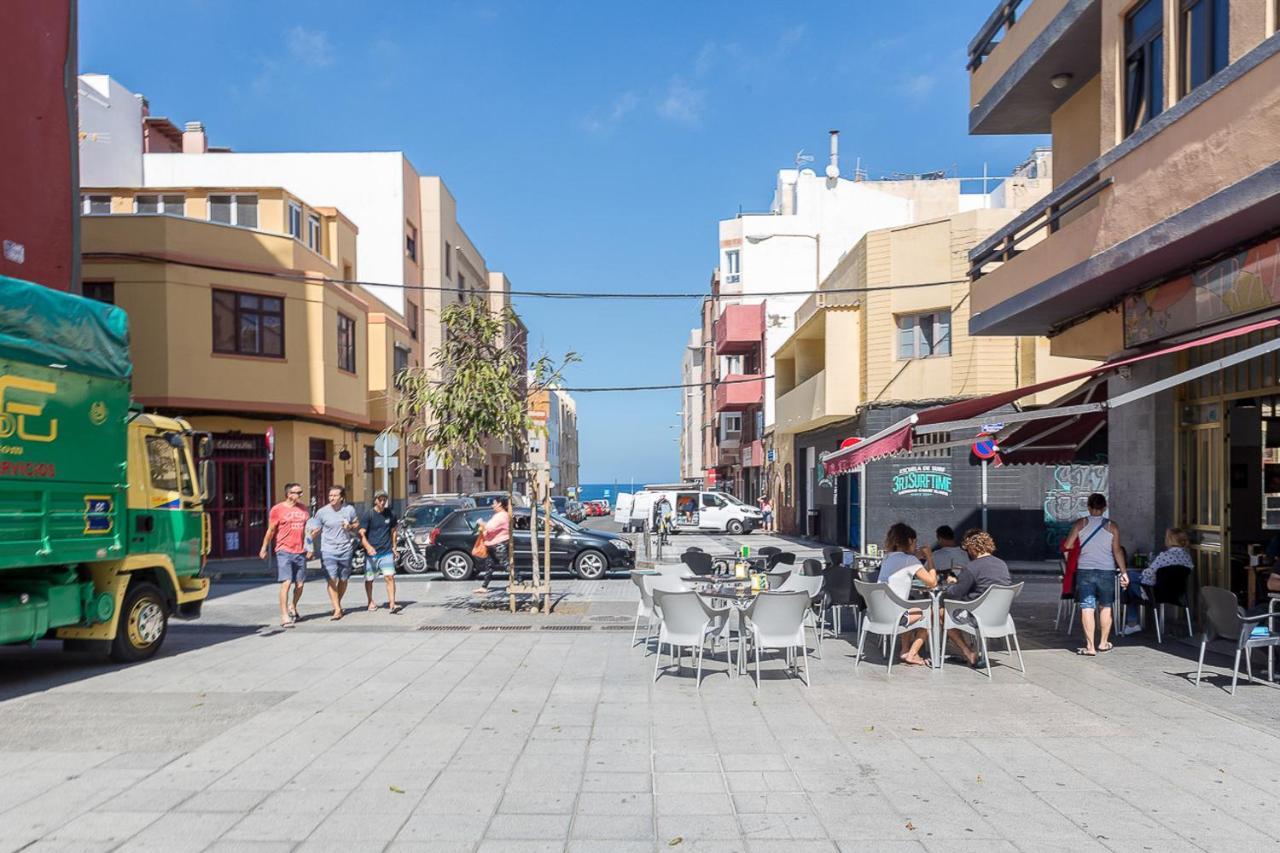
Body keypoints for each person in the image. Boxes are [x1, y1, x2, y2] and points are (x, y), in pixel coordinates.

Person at [1063, 492, 1128, 655]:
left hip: (1085, 570)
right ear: (1104, 507)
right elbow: (1117, 551)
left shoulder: (1081, 523)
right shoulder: (1112, 526)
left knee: (1087, 607)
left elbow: (1068, 545)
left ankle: (1090, 646)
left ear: (1089, 507)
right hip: (1107, 570)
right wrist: (1124, 572)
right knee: (1106, 606)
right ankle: (1104, 643)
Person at [941, 529, 1012, 667]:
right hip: (1001, 617)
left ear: (972, 548)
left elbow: (954, 594)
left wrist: (952, 583)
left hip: (978, 617)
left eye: (967, 549)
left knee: (941, 613)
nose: (967, 553)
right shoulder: (1002, 564)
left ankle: (968, 653)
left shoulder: (972, 567)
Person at [876, 522, 937, 666]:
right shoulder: (910, 560)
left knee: (908, 605)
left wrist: (916, 555)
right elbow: (932, 582)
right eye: (915, 541)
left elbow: (903, 560)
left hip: (879, 613)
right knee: (932, 613)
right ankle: (912, 653)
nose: (916, 544)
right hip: (897, 617)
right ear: (910, 540)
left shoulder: (888, 557)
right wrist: (929, 557)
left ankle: (904, 649)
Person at [1120, 527, 1194, 635]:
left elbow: (1148, 573)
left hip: (1157, 594)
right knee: (1130, 584)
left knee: (1129, 581)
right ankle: (1132, 623)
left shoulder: (1164, 556)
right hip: (1178, 594)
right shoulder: (1187, 557)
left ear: (1169, 540)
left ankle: (1132, 623)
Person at [259, 482, 312, 628]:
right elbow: (270, 530)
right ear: (289, 494)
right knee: (286, 582)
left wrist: (310, 547)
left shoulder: (303, 509)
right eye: (298, 492)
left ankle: (292, 606)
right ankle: (284, 615)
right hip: (284, 550)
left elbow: (307, 531)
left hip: (300, 551)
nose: (301, 495)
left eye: (301, 492)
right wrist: (264, 548)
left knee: (300, 584)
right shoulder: (277, 509)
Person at [307, 486, 360, 621]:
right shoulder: (322, 512)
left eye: (335, 496)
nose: (332, 498)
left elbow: (356, 524)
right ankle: (337, 609)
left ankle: (337, 602)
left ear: (341, 497)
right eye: (330, 495)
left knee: (343, 579)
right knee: (331, 579)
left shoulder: (349, 510)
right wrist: (308, 546)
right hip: (328, 550)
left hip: (345, 549)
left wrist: (350, 527)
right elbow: (313, 529)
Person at [359, 490, 400, 613]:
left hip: (386, 551)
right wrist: (368, 547)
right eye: (380, 500)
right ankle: (370, 601)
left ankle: (392, 603)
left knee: (390, 577)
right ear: (375, 500)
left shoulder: (390, 514)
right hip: (372, 553)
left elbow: (393, 531)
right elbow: (361, 533)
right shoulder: (368, 515)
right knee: (370, 579)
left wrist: (394, 546)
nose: (382, 502)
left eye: (384, 500)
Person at [473, 496, 511, 594]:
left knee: (506, 564)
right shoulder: (498, 515)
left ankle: (519, 581)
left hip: (499, 544)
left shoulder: (501, 515)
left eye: (494, 503)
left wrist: (480, 523)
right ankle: (484, 586)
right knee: (490, 566)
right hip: (492, 543)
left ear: (499, 504)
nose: (492, 505)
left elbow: (490, 527)